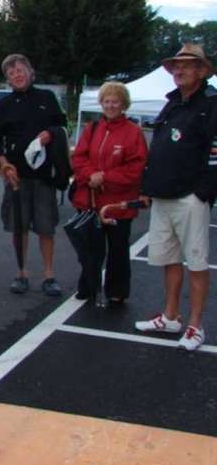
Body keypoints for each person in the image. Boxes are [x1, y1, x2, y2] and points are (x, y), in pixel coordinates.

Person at [135, 43, 217, 351]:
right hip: (163, 194)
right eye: (176, 66)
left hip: (190, 196)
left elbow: (215, 151)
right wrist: (148, 186)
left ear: (201, 71)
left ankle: (196, 325)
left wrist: (203, 192)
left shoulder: (211, 103)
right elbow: (160, 148)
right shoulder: (173, 103)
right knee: (168, 259)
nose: (179, 70)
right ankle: (171, 316)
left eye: (186, 65)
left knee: (196, 262)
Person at [0, 54, 67, 296]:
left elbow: (65, 126)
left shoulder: (47, 98)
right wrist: (3, 164)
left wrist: (51, 134)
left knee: (46, 227)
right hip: (16, 176)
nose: (17, 75)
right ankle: (21, 273)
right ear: (7, 79)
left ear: (31, 72)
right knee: (18, 227)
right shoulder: (3, 105)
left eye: (20, 70)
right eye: (11, 73)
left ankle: (49, 275)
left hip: (43, 175)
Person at [70, 81, 147, 303]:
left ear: (123, 104)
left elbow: (136, 168)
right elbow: (79, 157)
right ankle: (88, 286)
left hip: (118, 205)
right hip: (90, 201)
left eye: (115, 101)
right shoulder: (92, 128)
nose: (111, 105)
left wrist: (104, 177)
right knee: (89, 249)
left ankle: (117, 291)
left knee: (118, 251)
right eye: (107, 101)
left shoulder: (133, 133)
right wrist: (90, 175)